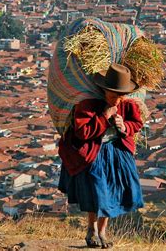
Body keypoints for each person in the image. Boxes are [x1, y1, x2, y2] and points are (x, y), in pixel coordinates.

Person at [57, 63, 144, 249]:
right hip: (95, 154)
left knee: (111, 195)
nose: (116, 102)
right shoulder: (88, 105)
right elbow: (82, 132)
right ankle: (92, 230)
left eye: (120, 97)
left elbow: (136, 124)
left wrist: (124, 126)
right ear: (104, 91)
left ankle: (102, 232)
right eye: (113, 96)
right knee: (97, 193)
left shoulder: (127, 104)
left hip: (117, 154)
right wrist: (104, 116)